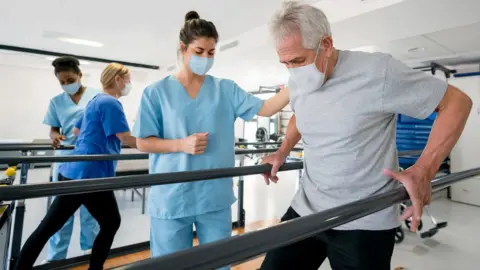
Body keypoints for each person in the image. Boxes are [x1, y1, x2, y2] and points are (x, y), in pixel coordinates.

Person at [259, 2, 472, 270]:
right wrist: (283, 149)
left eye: (299, 60)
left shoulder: (376, 71)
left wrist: (425, 170)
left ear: (326, 44)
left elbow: (457, 103)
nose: (293, 70)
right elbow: (301, 114)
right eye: (286, 63)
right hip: (307, 208)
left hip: (363, 219)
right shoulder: (298, 79)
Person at [132, 11, 289, 269]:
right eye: (199, 51)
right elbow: (143, 142)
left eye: (211, 52)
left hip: (214, 197)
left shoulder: (224, 89)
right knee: (170, 266)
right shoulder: (156, 92)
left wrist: (298, 82)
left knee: (219, 264)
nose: (206, 58)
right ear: (183, 49)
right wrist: (180, 144)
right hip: (172, 197)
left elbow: (268, 108)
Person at [15, 63, 137, 270]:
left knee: (49, 228)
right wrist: (158, 145)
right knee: (109, 223)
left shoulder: (94, 101)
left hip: (76, 171)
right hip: (91, 174)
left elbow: (78, 131)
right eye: (128, 80)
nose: (129, 84)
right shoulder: (111, 103)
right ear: (118, 79)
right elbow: (125, 137)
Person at [43, 56, 100, 262]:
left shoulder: (96, 96)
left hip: (90, 159)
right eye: (62, 82)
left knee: (90, 211)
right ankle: (56, 257)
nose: (67, 85)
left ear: (79, 75)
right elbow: (53, 128)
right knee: (61, 213)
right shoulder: (56, 102)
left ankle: (90, 252)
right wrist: (54, 136)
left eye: (70, 80)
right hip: (65, 160)